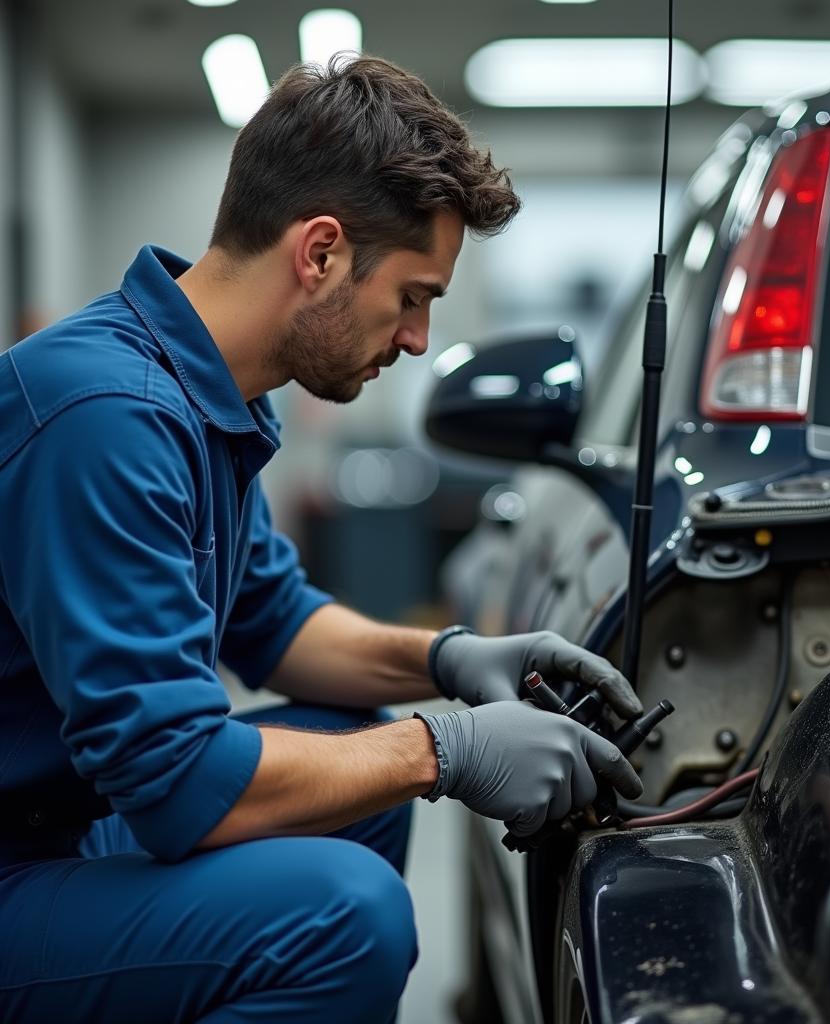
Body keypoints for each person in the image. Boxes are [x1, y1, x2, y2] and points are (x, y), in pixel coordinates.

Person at [0, 55, 644, 1023]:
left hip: (60, 825)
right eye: (413, 296)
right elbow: (177, 782)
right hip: (16, 860)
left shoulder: (196, 394)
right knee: (347, 916)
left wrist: (450, 660)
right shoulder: (106, 418)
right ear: (321, 254)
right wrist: (446, 748)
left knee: (355, 767)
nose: (421, 339)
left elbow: (275, 625)